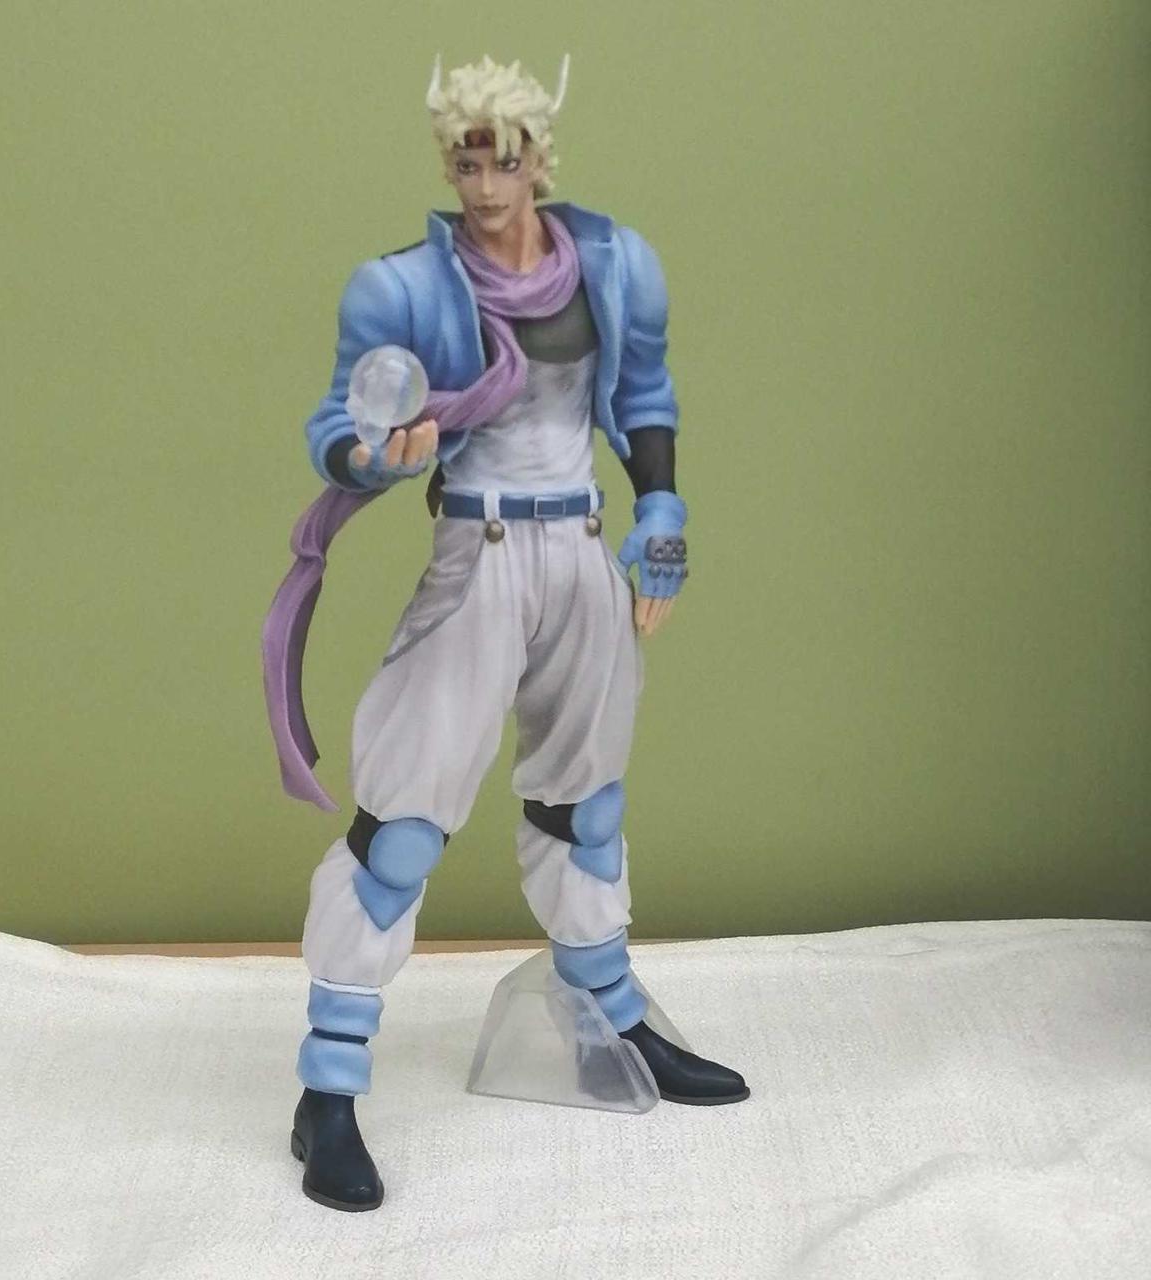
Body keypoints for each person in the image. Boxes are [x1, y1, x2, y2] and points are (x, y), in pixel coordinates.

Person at [268, 54, 749, 1214]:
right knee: (401, 823)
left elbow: (642, 394)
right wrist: (376, 452)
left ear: (539, 155)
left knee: (584, 803)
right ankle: (327, 1085)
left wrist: (660, 512)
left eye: (504, 156)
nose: (484, 181)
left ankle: (613, 1013)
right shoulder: (400, 287)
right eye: (464, 159)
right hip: (476, 551)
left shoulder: (614, 262)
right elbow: (339, 423)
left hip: (578, 548)